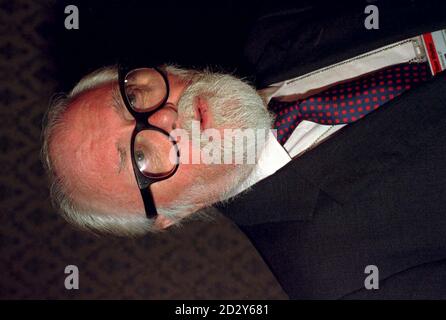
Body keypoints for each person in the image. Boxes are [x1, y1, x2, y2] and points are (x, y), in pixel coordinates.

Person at [42, 0, 446, 298]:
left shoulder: (265, 25)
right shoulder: (343, 279)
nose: (163, 118)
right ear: (170, 215)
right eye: (142, 157)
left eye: (133, 95)